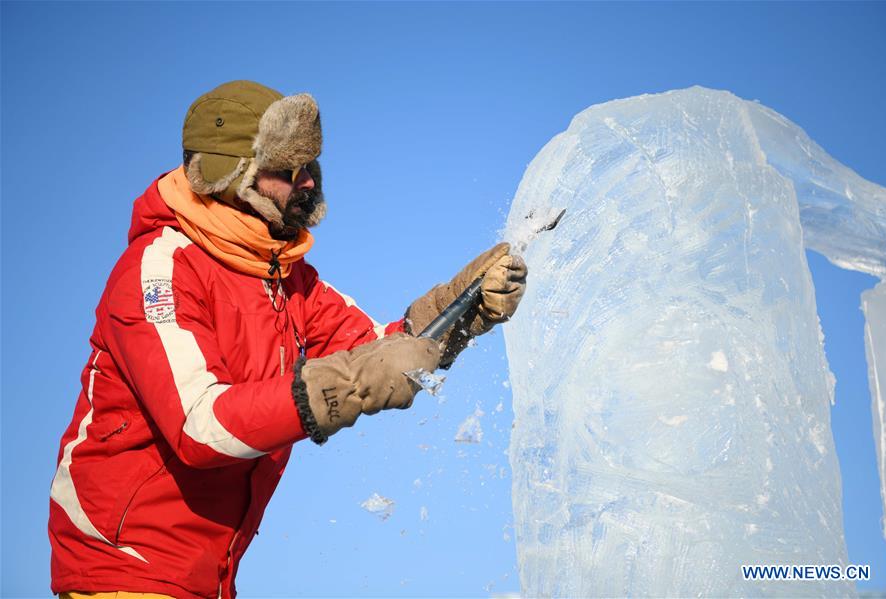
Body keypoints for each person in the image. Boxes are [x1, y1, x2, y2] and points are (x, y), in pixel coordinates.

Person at [48, 80, 527, 599]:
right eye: (286, 169)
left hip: (208, 580)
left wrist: (459, 309)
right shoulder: (159, 268)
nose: (305, 182)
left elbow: (379, 351)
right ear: (231, 176)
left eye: (309, 167)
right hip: (125, 574)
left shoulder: (288, 280)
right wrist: (345, 383)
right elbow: (198, 426)